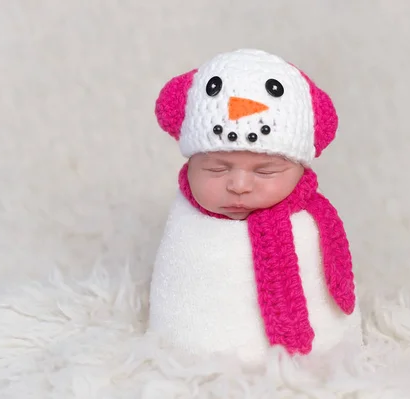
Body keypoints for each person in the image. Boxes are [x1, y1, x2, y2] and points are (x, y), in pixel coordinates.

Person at [148, 48, 362, 364]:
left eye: (265, 171)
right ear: (191, 164)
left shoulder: (309, 225)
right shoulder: (186, 224)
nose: (239, 185)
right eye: (216, 169)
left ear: (300, 168)